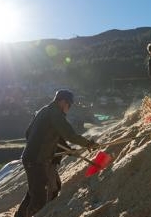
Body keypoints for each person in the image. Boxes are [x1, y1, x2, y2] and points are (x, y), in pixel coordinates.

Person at [15, 89, 98, 217]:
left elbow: (29, 133)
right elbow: (69, 134)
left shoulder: (44, 110)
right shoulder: (55, 114)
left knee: (39, 191)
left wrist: (67, 149)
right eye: (69, 105)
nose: (69, 108)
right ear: (63, 102)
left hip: (34, 158)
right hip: (36, 161)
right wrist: (89, 144)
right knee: (39, 198)